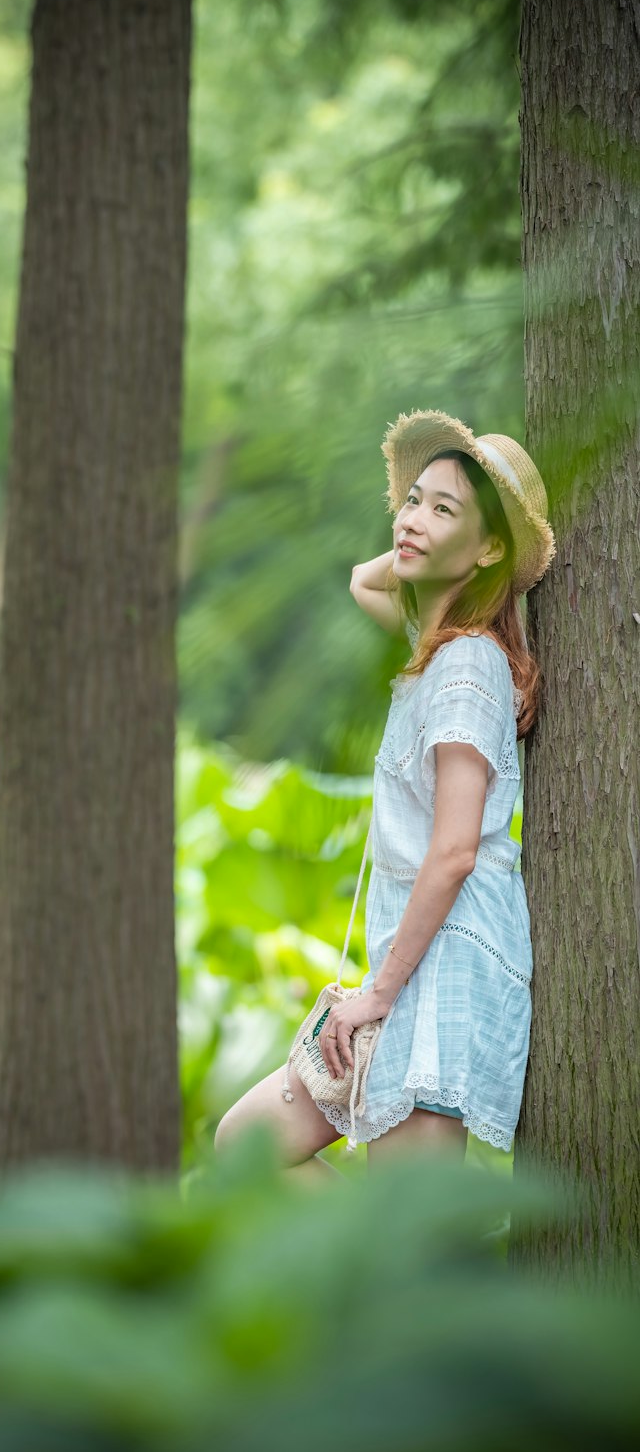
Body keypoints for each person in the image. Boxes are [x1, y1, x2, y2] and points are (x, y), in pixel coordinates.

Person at [214, 409, 557, 1178]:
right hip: (407, 968)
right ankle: (351, 1292)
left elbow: (456, 849)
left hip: (438, 974)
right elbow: (362, 581)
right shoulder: (432, 654)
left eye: (445, 509)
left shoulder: (470, 669)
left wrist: (375, 994)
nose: (412, 520)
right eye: (411, 501)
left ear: (491, 546)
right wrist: (431, 535)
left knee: (408, 1251)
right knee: (246, 1146)